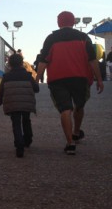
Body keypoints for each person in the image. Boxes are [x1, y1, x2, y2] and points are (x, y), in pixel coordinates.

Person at [36, 11, 104, 155]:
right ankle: (76, 132)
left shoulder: (51, 38)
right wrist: (99, 79)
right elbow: (92, 60)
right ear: (73, 22)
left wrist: (37, 79)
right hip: (80, 78)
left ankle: (70, 143)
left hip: (57, 80)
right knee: (79, 105)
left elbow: (43, 61)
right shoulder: (83, 38)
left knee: (65, 109)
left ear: (58, 22)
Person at [0, 53, 40, 158]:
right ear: (21, 63)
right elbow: (36, 89)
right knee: (26, 120)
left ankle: (19, 146)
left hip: (13, 103)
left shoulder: (6, 77)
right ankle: (28, 139)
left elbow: (1, 90)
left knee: (16, 123)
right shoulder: (28, 76)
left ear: (10, 64)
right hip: (26, 102)